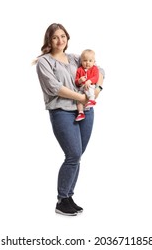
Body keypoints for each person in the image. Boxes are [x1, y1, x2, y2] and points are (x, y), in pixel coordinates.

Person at [34, 23, 104, 216]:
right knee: (73, 154)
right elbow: (54, 88)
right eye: (55, 37)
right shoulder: (44, 62)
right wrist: (82, 98)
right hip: (62, 112)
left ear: (67, 38)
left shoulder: (74, 58)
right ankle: (61, 199)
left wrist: (97, 91)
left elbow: (100, 71)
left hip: (86, 112)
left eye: (63, 36)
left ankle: (69, 197)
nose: (60, 40)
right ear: (49, 40)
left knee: (78, 155)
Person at [75, 49, 99, 122]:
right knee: (78, 99)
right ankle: (81, 113)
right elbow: (76, 81)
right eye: (85, 60)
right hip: (81, 88)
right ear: (81, 61)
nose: (87, 63)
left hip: (90, 86)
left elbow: (96, 77)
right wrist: (79, 81)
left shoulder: (95, 68)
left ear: (94, 62)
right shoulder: (79, 70)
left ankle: (91, 100)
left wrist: (89, 81)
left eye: (90, 61)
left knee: (88, 88)